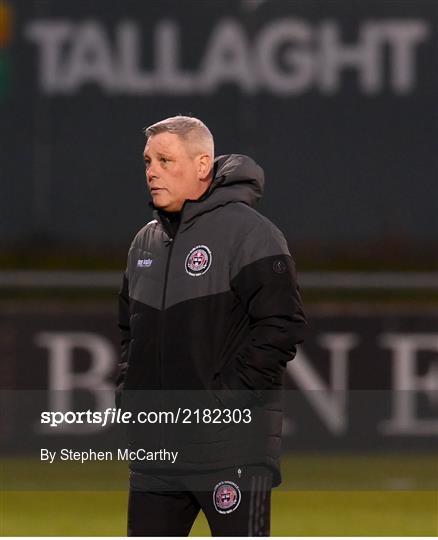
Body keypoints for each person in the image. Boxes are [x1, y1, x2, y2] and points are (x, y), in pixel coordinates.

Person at [116, 115, 307, 536]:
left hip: (230, 449)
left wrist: (227, 399)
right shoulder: (144, 243)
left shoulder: (251, 233)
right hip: (158, 455)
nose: (152, 171)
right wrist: (133, 395)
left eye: (166, 160)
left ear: (203, 166)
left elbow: (282, 324)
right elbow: (130, 332)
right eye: (148, 161)